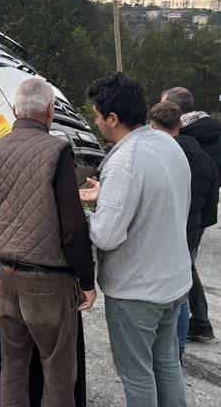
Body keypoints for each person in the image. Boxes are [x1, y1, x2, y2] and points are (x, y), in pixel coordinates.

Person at [0, 77, 96, 407]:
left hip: (5, 279)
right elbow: (73, 225)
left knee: (13, 368)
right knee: (59, 373)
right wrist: (87, 279)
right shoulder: (57, 150)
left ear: (13, 112)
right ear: (50, 111)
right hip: (49, 282)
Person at [80, 72, 191, 406]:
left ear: (113, 118)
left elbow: (106, 234)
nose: (96, 121)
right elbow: (153, 195)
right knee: (168, 365)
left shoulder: (124, 161)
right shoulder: (166, 143)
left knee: (137, 375)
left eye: (97, 115)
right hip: (172, 281)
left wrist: (79, 214)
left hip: (137, 292)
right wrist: (108, 195)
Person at [149, 101, 219, 360]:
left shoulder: (157, 157)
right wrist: (197, 227)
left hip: (159, 236)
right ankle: (177, 350)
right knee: (180, 295)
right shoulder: (204, 159)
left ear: (152, 126)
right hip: (189, 236)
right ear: (180, 124)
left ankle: (155, 347)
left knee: (155, 297)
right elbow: (212, 205)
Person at [161, 87, 221, 342]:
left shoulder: (183, 137)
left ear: (175, 111)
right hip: (200, 213)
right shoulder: (212, 130)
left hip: (181, 212)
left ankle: (194, 327)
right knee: (187, 265)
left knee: (182, 270)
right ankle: (200, 322)